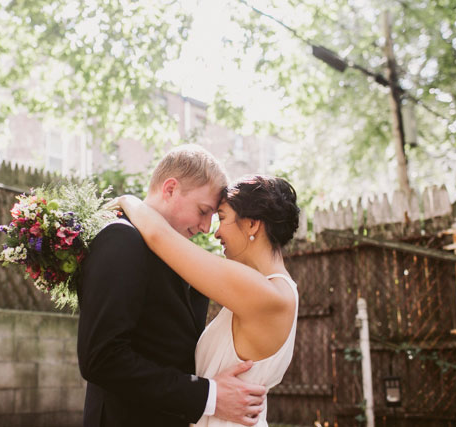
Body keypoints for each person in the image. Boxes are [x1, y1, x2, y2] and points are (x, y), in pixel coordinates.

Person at [77, 145, 267, 427]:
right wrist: (208, 395)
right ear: (170, 189)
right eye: (203, 211)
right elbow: (102, 358)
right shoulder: (122, 239)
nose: (206, 227)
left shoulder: (179, 254)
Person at [111, 174, 300, 427]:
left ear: (253, 224)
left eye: (222, 218)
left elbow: (159, 236)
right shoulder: (270, 290)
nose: (216, 232)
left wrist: (126, 200)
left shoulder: (265, 294)